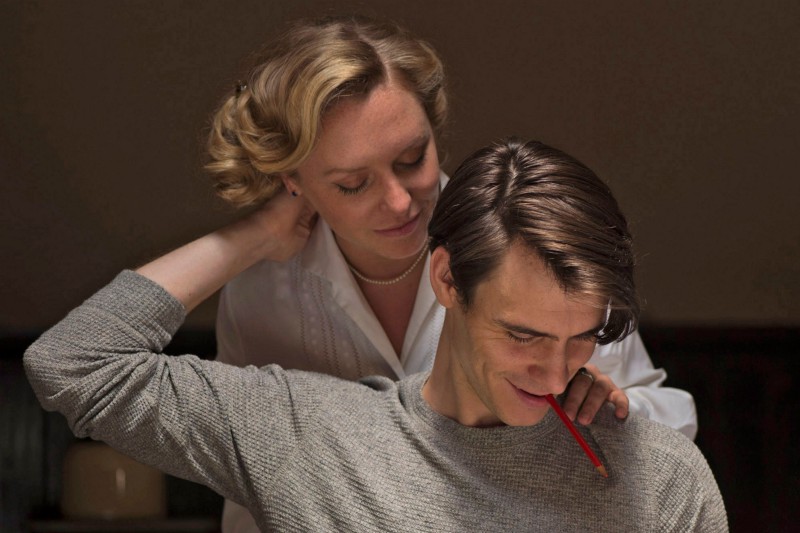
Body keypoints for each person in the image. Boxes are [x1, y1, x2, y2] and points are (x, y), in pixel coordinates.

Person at [25, 138, 727, 532]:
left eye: (580, 339)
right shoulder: (306, 437)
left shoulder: (659, 477)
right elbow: (72, 363)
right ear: (446, 279)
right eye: (523, 335)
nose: (555, 373)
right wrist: (256, 235)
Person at [205, 15, 697, 531]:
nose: (400, 202)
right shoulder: (261, 292)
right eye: (353, 183)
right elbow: (247, 483)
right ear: (292, 180)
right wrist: (255, 236)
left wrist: (611, 409)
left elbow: (671, 423)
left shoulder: (520, 237)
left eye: (412, 158)